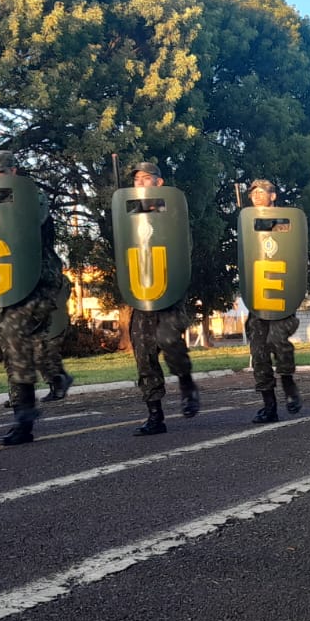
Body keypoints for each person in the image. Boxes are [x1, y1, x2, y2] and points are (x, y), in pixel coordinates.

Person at [0, 150, 68, 445]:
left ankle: (25, 414)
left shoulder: (32, 197)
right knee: (15, 349)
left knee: (17, 341)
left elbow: (26, 226)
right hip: (6, 286)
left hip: (37, 281)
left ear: (12, 172)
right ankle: (34, 402)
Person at [120, 161, 200, 435]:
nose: (140, 183)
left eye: (146, 178)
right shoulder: (128, 216)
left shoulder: (174, 214)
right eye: (137, 180)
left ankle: (186, 383)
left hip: (169, 292)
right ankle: (155, 414)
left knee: (168, 341)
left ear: (159, 183)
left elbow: (182, 251)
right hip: (142, 294)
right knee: (144, 355)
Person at [240, 179, 303, 422]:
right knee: (259, 354)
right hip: (258, 299)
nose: (256, 196)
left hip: (280, 297)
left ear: (273, 196)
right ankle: (269, 405)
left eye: (261, 192)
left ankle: (287, 382)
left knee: (278, 341)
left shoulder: (286, 222)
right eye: (253, 192)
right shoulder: (246, 225)